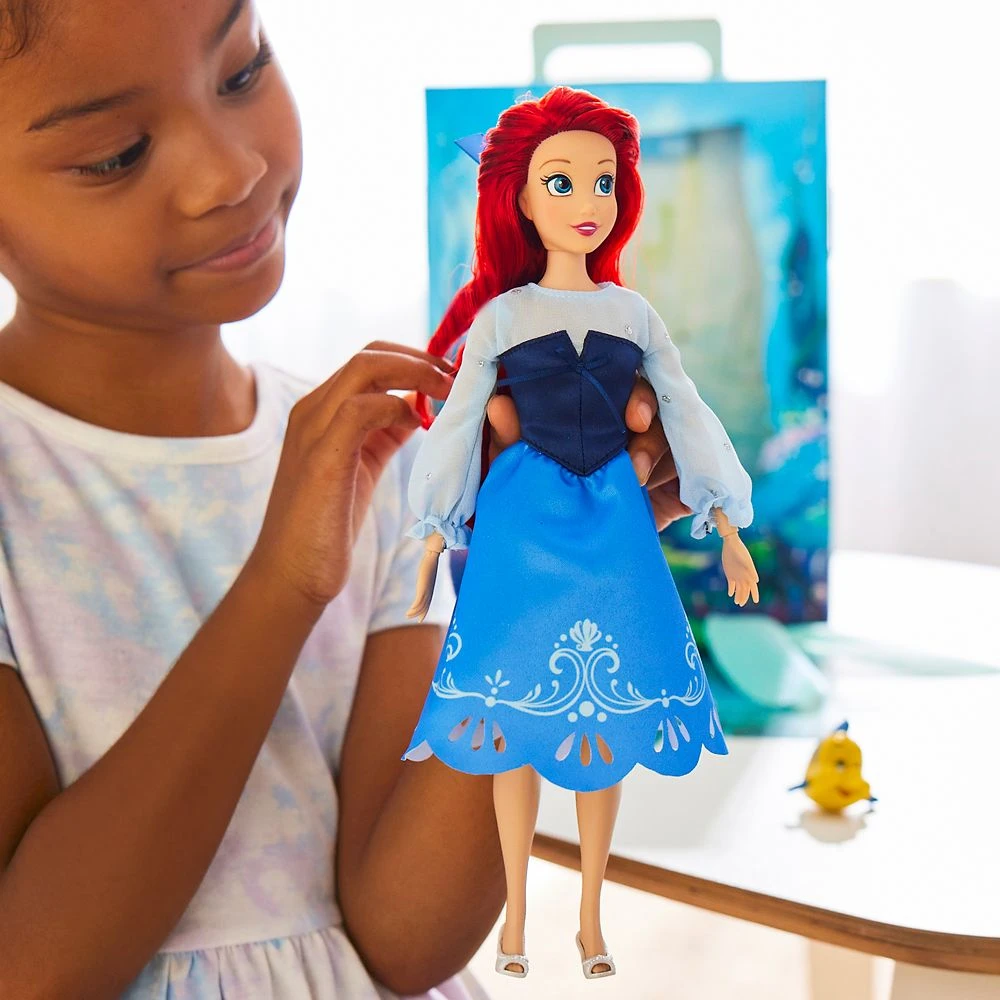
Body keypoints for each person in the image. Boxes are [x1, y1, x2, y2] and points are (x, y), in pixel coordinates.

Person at [0, 5, 683, 997]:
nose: (231, 170)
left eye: (241, 72)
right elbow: (31, 968)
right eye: (116, 154)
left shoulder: (368, 455)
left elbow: (410, 938)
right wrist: (282, 585)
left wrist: (553, 571)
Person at [401, 88, 759, 981]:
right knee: (513, 725)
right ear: (519, 199)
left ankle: (591, 919)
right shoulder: (500, 317)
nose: (589, 200)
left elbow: (684, 408)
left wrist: (725, 519)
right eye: (561, 182)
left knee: (609, 729)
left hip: (614, 518)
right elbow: (459, 423)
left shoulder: (635, 316)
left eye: (603, 181)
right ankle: (517, 917)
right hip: (521, 518)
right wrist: (432, 533)